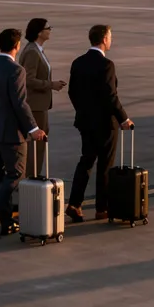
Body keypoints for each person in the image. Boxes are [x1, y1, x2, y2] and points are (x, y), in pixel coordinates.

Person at [0, 28, 45, 240]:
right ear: (17, 46)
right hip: (11, 133)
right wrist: (33, 129)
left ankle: (6, 221)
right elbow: (20, 104)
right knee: (15, 174)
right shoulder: (16, 70)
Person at [66, 24, 134, 223]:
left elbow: (72, 92)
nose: (111, 40)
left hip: (85, 122)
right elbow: (111, 96)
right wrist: (124, 118)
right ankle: (101, 208)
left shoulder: (77, 63)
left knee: (86, 161)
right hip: (105, 124)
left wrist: (83, 111)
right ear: (104, 39)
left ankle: (74, 204)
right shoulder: (107, 65)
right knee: (105, 166)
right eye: (110, 37)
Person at [19, 18, 64, 178]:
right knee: (36, 147)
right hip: (35, 106)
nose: (50, 30)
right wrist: (51, 84)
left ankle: (32, 177)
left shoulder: (37, 49)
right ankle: (31, 179)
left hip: (40, 105)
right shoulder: (32, 51)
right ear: (39, 32)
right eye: (47, 28)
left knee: (38, 146)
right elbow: (28, 79)